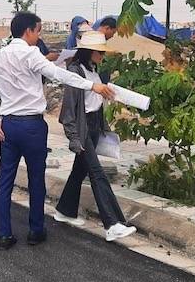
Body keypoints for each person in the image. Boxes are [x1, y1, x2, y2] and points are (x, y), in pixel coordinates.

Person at [0, 12, 114, 250]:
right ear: (28, 31)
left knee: (5, 180)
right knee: (36, 179)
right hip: (32, 126)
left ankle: (4, 234)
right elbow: (60, 74)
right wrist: (92, 85)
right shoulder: (31, 54)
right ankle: (35, 230)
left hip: (8, 125)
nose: (39, 35)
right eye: (38, 30)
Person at [54, 31, 137, 242]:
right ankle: (113, 224)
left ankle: (64, 210)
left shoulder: (93, 70)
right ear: (88, 51)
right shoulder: (75, 71)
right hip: (82, 129)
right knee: (97, 174)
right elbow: (68, 111)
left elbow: (95, 102)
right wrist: (73, 137)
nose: (102, 55)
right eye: (99, 52)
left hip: (93, 127)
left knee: (78, 173)